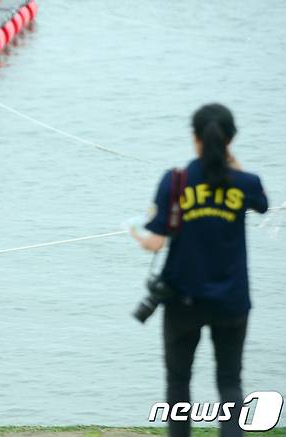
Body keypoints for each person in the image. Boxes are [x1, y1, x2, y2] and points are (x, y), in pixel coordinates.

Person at [131, 104, 269, 437]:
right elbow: (262, 204)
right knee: (230, 383)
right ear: (230, 139)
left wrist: (135, 234)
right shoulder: (245, 183)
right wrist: (232, 163)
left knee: (178, 383)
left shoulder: (176, 180)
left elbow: (156, 243)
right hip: (232, 301)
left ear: (194, 137)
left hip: (182, 301)